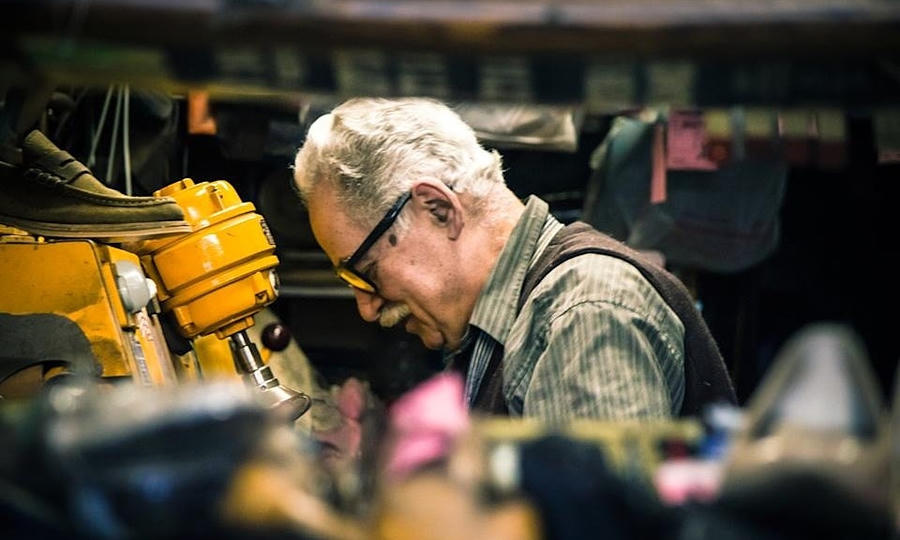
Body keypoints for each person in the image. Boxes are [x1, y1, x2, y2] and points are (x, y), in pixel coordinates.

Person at [292, 98, 734, 421]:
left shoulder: (584, 315)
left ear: (438, 209)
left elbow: (596, 514)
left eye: (366, 273)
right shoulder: (502, 332)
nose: (367, 308)